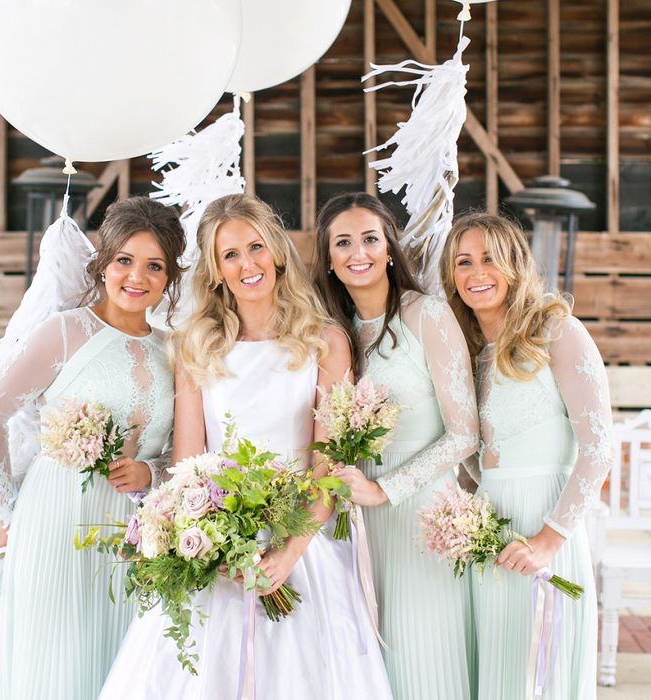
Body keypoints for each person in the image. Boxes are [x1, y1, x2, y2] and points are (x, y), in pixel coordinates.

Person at [100, 193, 391, 699]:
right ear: (214, 270)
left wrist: (286, 554)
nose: (246, 264)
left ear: (276, 251)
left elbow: (330, 468)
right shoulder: (195, 345)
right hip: (217, 544)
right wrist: (202, 537)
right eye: (229, 255)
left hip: (303, 542)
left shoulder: (326, 341)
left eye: (255, 247)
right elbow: (189, 464)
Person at [0, 196, 185, 700]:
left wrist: (151, 472)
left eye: (155, 266)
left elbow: (185, 446)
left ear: (170, 276)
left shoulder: (173, 348)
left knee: (120, 668)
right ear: (103, 263)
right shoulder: (65, 332)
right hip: (55, 520)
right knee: (57, 666)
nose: (137, 276)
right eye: (124, 261)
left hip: (135, 534)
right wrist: (9, 507)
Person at [313, 192, 478, 699]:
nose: (357, 251)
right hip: (353, 523)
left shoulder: (425, 314)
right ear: (330, 259)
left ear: (388, 249)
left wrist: (386, 489)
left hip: (422, 514)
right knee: (370, 663)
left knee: (422, 654)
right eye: (343, 242)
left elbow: (465, 432)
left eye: (369, 238)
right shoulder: (331, 332)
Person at [440, 212, 611, 700]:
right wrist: (464, 508)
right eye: (464, 262)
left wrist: (548, 541)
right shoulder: (469, 351)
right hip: (488, 536)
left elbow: (598, 448)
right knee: (497, 674)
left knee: (542, 670)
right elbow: (477, 451)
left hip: (545, 523)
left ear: (515, 263)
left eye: (489, 259)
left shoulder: (558, 331)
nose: (476, 273)